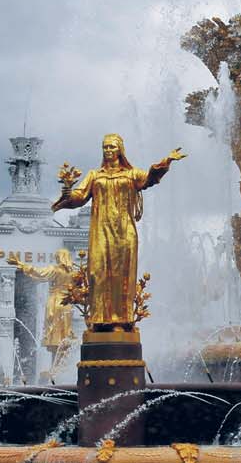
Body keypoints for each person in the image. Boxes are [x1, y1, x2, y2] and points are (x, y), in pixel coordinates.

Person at [52, 134, 184, 332]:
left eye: (112, 147)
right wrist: (68, 191)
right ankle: (98, 320)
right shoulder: (95, 175)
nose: (108, 150)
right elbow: (79, 197)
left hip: (124, 232)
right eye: (105, 147)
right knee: (97, 272)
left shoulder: (130, 174)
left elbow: (149, 179)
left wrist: (166, 162)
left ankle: (120, 321)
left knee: (122, 275)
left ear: (120, 150)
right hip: (100, 230)